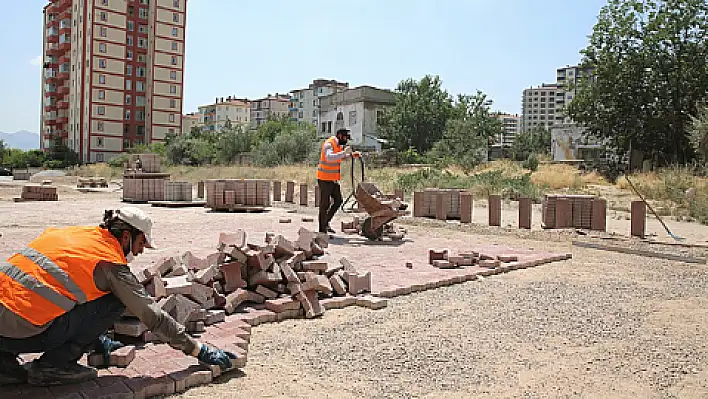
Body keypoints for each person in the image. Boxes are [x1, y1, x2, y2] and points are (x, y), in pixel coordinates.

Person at [0, 207, 236, 387]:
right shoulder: (109, 261)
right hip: (22, 330)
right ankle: (53, 367)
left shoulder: (77, 236)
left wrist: (94, 337)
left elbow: (60, 286)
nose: (141, 251)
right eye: (141, 243)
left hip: (5, 326)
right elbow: (150, 314)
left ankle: (5, 363)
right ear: (126, 236)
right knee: (114, 300)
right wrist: (197, 349)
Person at [316, 127, 360, 234]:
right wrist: (344, 153)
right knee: (324, 205)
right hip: (324, 179)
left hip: (332, 180)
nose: (346, 141)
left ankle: (326, 222)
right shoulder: (329, 144)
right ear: (340, 136)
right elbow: (329, 157)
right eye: (345, 138)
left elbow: (339, 158)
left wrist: (351, 156)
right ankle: (322, 231)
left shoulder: (339, 146)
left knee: (338, 200)